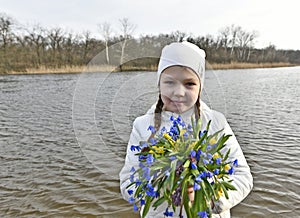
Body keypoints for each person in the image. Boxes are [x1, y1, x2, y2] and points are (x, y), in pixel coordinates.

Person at [119, 41, 253, 217]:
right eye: (169, 82)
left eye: (189, 83)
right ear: (159, 85)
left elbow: (243, 177)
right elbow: (127, 183)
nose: (179, 92)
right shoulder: (142, 125)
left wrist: (207, 195)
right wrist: (162, 184)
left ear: (200, 87)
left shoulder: (216, 123)